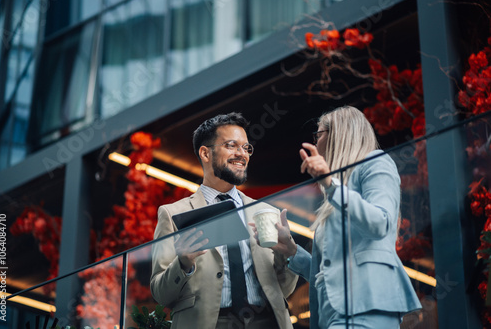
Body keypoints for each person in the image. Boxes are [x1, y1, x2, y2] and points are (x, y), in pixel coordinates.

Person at [252, 106, 421, 328]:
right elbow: (329, 271)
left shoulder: (374, 162)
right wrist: (291, 250)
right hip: (334, 312)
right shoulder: (337, 191)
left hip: (367, 305)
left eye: (318, 134)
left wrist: (332, 185)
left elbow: (381, 223)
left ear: (338, 135)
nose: (315, 143)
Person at [150, 112, 298, 329]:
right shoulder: (172, 214)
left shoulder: (265, 211)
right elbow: (160, 294)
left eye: (246, 148)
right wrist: (183, 263)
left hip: (267, 322)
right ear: (205, 153)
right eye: (232, 145)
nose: (242, 154)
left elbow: (283, 289)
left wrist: (287, 256)